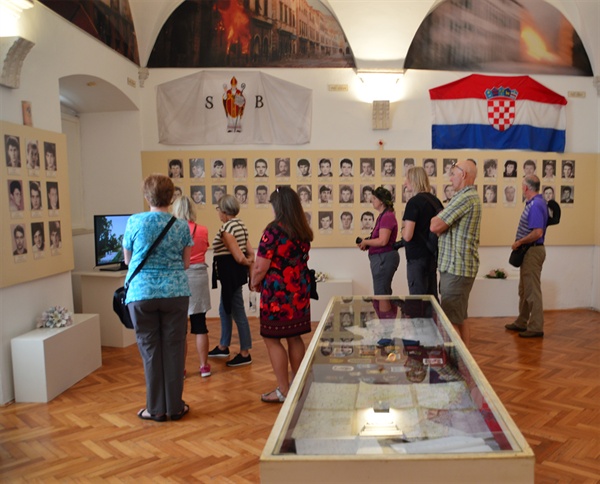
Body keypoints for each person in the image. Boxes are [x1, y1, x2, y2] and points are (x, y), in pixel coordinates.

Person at [123, 174, 192, 422]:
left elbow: (128, 261)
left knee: (150, 349)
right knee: (174, 348)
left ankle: (155, 409)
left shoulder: (134, 222)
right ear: (172, 196)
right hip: (175, 293)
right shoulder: (181, 226)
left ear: (146, 196)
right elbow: (185, 264)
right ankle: (174, 407)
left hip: (141, 295)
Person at [251, 187, 313, 403]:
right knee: (294, 336)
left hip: (277, 293)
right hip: (299, 289)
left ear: (277, 206)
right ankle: (297, 386)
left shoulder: (273, 230)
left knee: (271, 338)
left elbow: (261, 266)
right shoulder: (302, 229)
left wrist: (253, 282)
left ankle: (284, 390)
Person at [430, 159, 481, 347]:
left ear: (464, 175)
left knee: (451, 321)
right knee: (460, 317)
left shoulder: (464, 197)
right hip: (458, 267)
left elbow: (435, 225)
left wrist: (438, 218)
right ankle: (467, 365)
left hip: (456, 268)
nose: (450, 178)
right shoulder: (467, 197)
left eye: (453, 173)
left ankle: (458, 365)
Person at [209, 195, 254, 367]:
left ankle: (245, 353)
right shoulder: (240, 225)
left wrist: (247, 263)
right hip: (233, 275)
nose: (218, 213)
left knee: (237, 311)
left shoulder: (227, 229)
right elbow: (250, 253)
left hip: (231, 276)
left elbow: (240, 257)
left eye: (218, 209)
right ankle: (223, 345)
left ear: (224, 211)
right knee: (224, 309)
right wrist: (249, 264)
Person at [172, 196, 212, 377]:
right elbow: (203, 249)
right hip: (199, 276)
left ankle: (180, 368)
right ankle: (204, 366)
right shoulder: (202, 229)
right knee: (200, 323)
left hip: (180, 276)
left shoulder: (173, 231)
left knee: (180, 327)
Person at [505, 175, 548, 338]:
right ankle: (522, 321)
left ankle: (536, 326)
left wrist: (519, 242)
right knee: (524, 289)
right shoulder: (535, 203)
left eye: (522, 185)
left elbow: (537, 232)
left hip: (532, 251)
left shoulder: (536, 204)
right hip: (530, 251)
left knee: (532, 291)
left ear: (526, 188)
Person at [401, 166, 443, 298]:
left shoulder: (413, 203)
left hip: (416, 258)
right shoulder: (435, 202)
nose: (405, 182)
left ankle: (418, 320)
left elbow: (407, 236)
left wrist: (402, 229)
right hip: (431, 255)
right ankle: (433, 320)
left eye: (407, 179)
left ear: (414, 180)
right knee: (431, 298)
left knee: (417, 300)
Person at [357, 186, 399, 295]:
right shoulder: (383, 216)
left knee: (382, 295)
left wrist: (366, 242)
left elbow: (382, 241)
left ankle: (385, 313)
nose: (372, 200)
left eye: (374, 198)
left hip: (383, 258)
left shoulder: (387, 216)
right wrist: (368, 243)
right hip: (380, 258)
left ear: (381, 201)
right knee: (381, 293)